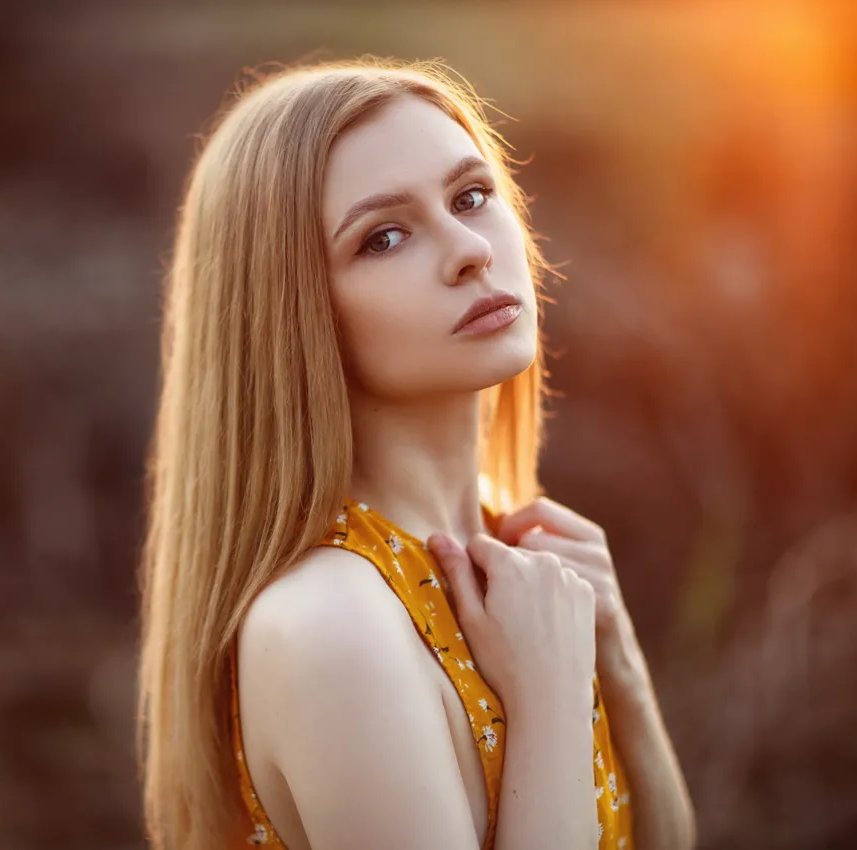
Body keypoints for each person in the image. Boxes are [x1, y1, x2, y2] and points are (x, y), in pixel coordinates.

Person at [136, 58, 696, 850]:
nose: (470, 248)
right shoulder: (332, 623)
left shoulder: (521, 567)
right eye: (384, 236)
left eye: (472, 196)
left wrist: (619, 664)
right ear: (290, 315)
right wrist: (550, 700)